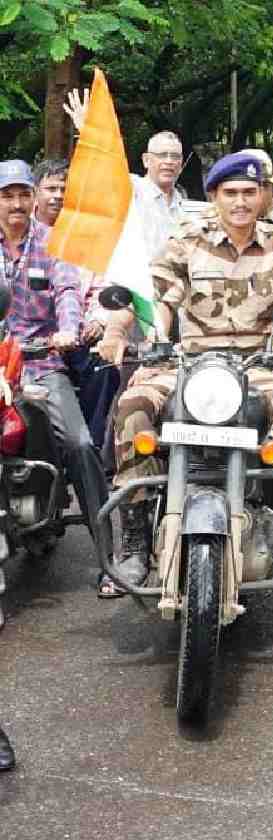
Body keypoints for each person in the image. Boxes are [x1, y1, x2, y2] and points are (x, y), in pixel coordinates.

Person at [96, 152, 273, 661]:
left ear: (264, 195)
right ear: (215, 197)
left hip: (258, 370)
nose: (242, 201)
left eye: (251, 192)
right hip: (186, 366)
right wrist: (126, 333)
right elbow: (158, 294)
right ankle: (136, 541)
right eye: (231, 193)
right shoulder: (188, 240)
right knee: (133, 405)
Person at [0, 160, 108, 558]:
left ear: (32, 199)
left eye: (22, 194)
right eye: (6, 195)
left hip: (40, 363)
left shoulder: (53, 241)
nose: (15, 203)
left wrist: (67, 331)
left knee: (80, 444)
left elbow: (66, 292)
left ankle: (109, 556)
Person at [31, 159, 121, 451]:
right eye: (50, 188)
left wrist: (98, 319)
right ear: (35, 192)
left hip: (78, 336)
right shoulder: (21, 234)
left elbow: (100, 286)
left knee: (105, 369)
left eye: (63, 189)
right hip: (31, 339)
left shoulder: (87, 236)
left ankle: (89, 451)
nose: (57, 195)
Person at [63, 93, 186, 258]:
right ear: (146, 160)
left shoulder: (183, 204)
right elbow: (105, 169)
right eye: (162, 155)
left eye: (175, 156)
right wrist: (88, 132)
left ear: (181, 164)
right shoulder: (132, 188)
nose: (169, 161)